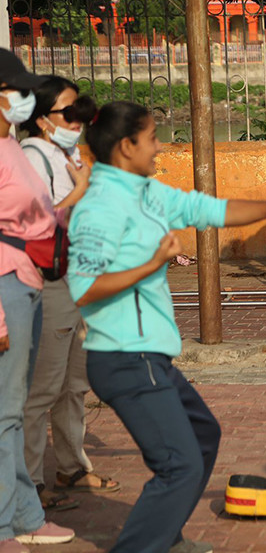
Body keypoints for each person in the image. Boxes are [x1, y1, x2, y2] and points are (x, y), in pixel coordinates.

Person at [69, 101, 266, 553]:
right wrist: (152, 262)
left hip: (151, 355)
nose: (159, 146)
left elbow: (213, 210)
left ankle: (164, 538)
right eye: (151, 138)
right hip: (125, 357)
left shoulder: (145, 192)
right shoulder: (100, 206)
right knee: (179, 466)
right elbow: (83, 288)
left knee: (204, 436)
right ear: (126, 147)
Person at [18, 77, 118, 513]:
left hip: (81, 279)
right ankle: (28, 485)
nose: (76, 121)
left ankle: (71, 465)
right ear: (41, 120)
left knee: (73, 384)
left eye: (81, 112)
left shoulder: (71, 154)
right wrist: (80, 192)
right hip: (52, 283)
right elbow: (33, 224)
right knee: (41, 388)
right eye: (67, 114)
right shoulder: (31, 157)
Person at [0, 49, 75, 552]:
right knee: (5, 413)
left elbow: (42, 216)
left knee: (14, 406)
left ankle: (24, 512)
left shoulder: (9, 145)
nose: (22, 99)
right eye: (14, 90)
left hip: (29, 280)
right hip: (4, 284)